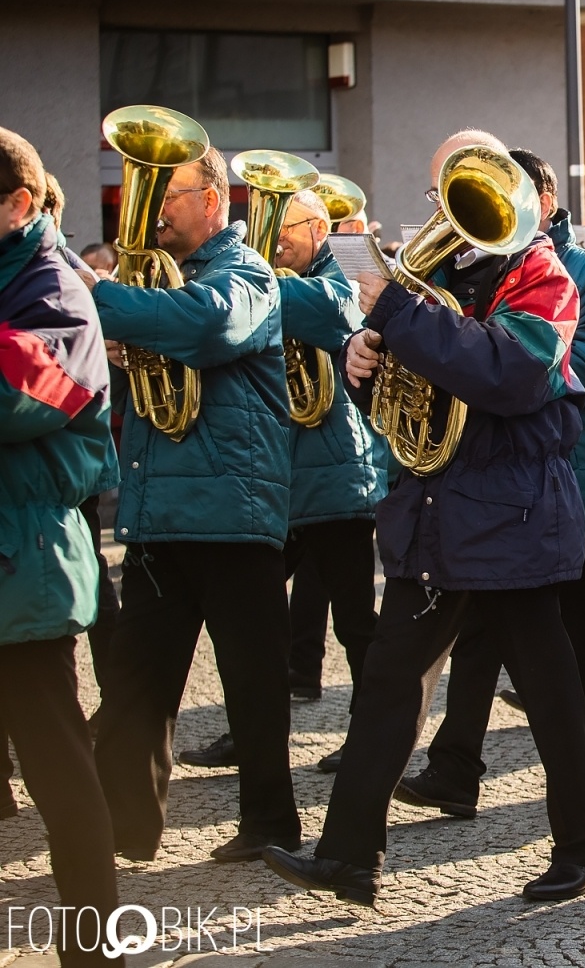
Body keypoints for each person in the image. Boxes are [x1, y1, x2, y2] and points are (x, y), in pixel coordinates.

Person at [262, 130, 585, 905]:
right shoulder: (435, 280)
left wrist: (398, 316)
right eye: (440, 191)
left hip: (514, 515)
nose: (448, 209)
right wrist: (363, 363)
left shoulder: (543, 275)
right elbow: (408, 404)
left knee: (549, 692)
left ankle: (582, 851)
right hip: (438, 513)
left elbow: (509, 374)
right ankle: (349, 857)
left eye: (464, 189)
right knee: (389, 683)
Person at [398, 148, 585, 816]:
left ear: (545, 203)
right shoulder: (475, 265)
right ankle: (455, 766)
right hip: (493, 483)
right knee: (479, 636)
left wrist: (506, 356)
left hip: (572, 478)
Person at [83, 144, 300, 864]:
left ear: (211, 200)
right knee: (133, 685)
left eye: (165, 195)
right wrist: (130, 345)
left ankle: (271, 824)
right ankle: (123, 831)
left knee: (253, 686)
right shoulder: (158, 284)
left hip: (234, 514)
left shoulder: (248, 271)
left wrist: (101, 298)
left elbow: (209, 327)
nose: (151, 213)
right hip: (160, 513)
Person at [178, 189, 383, 775]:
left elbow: (335, 313)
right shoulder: (276, 274)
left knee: (356, 623)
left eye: (285, 228)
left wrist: (247, 282)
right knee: (257, 621)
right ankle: (252, 734)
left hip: (337, 479)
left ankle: (372, 738)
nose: (274, 241)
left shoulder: (346, 271)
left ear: (319, 228)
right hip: (283, 478)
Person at [0, 127, 122, 965]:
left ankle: (95, 952)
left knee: (60, 774)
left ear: (17, 203)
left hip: (26, 563)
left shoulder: (56, 286)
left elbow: (37, 388)